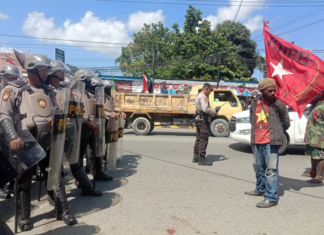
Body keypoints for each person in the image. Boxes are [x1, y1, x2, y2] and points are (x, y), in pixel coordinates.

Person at [0, 54, 77, 231]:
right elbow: (4, 115)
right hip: (26, 140)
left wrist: (56, 120)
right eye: (43, 69)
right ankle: (23, 216)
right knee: (25, 180)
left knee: (55, 175)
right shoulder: (14, 89)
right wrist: (12, 137)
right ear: (32, 68)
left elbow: (57, 111)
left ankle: (63, 210)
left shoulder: (48, 90)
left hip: (48, 138)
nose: (46, 72)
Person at [46, 61, 102, 197]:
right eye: (60, 72)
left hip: (69, 131)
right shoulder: (46, 91)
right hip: (53, 134)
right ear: (52, 73)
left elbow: (75, 113)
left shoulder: (66, 91)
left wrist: (86, 122)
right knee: (54, 167)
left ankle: (86, 187)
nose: (63, 74)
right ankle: (56, 200)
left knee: (75, 162)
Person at [245, 78, 290, 208]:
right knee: (258, 167)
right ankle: (260, 189)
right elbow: (252, 120)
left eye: (273, 90)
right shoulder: (254, 104)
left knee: (271, 170)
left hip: (271, 142)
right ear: (261, 90)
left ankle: (271, 198)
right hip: (257, 141)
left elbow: (286, 122)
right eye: (269, 90)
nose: (272, 93)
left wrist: (277, 131)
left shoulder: (278, 104)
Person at [75, 69, 113, 181]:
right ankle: (81, 179)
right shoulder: (78, 93)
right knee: (80, 154)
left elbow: (99, 110)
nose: (90, 81)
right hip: (83, 126)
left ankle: (98, 172)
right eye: (87, 79)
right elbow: (76, 112)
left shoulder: (91, 94)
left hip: (94, 125)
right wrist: (88, 123)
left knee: (97, 150)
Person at [0, 64, 22, 199]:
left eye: (15, 77)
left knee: (12, 159)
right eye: (11, 77)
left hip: (9, 129)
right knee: (2, 160)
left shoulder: (12, 90)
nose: (14, 79)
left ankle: (12, 184)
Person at [193, 83, 221, 166]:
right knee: (203, 138)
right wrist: (214, 111)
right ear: (206, 89)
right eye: (210, 90)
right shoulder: (203, 97)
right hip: (203, 120)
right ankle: (201, 158)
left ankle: (196, 156)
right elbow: (205, 109)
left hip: (198, 119)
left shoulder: (199, 95)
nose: (210, 92)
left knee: (198, 138)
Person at [304, 91, 324, 183]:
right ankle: (313, 172)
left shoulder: (323, 106)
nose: (310, 97)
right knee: (313, 154)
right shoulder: (315, 105)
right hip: (312, 137)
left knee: (321, 156)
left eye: (313, 95)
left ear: (320, 95)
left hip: (320, 137)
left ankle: (319, 177)